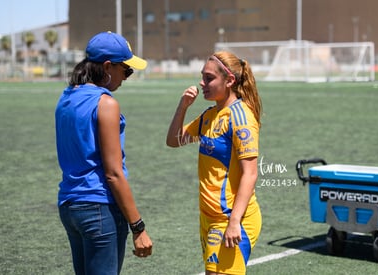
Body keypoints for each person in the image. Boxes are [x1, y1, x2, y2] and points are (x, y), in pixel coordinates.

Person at [55, 31, 152, 275]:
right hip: (99, 209)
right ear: (108, 66)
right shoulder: (105, 103)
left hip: (70, 206)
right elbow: (113, 174)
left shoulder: (66, 98)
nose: (126, 77)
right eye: (126, 70)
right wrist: (138, 227)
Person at [166, 51, 263, 275]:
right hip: (209, 218)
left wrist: (234, 222)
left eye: (209, 78)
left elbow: (250, 174)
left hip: (231, 218)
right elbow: (174, 140)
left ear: (229, 81)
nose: (202, 83)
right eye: (202, 76)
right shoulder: (210, 115)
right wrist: (183, 107)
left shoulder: (241, 118)